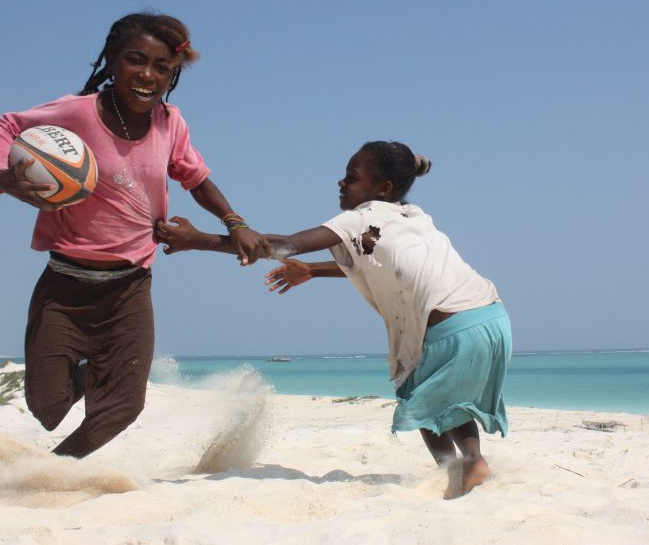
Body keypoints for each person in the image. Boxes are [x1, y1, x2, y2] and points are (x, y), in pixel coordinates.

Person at [0, 12, 268, 458]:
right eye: (136, 60)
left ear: (171, 75)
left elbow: (196, 179)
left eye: (161, 68)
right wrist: (1, 176)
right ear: (113, 59)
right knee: (47, 408)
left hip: (129, 289)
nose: (148, 75)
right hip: (64, 286)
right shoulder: (77, 113)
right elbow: (7, 126)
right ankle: (90, 376)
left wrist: (235, 221)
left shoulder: (170, 123)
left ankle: (54, 470)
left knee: (124, 406)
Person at [155, 141, 511, 495]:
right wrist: (311, 270)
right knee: (446, 398)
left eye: (351, 178)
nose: (341, 183)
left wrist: (198, 240)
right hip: (490, 316)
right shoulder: (412, 216)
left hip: (449, 325)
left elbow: (286, 244)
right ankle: (471, 461)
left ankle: (455, 469)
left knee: (421, 398)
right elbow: (374, 263)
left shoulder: (361, 216)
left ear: (382, 188)